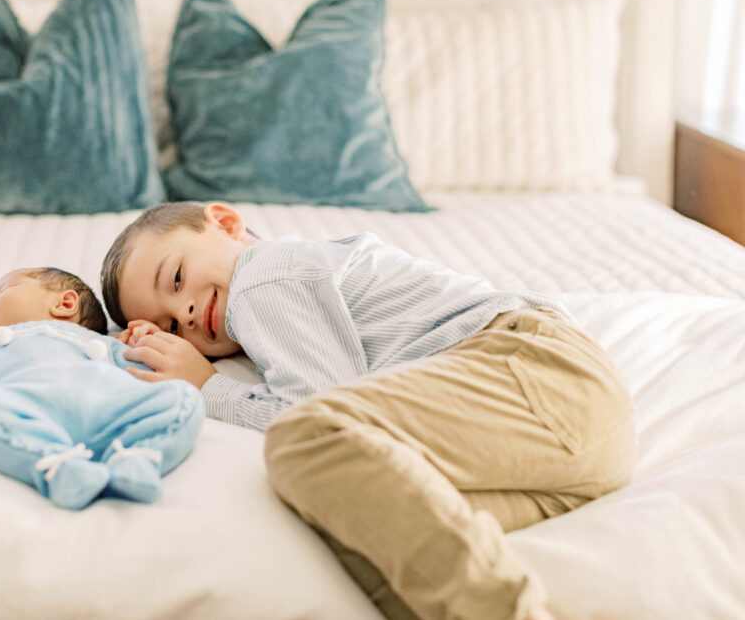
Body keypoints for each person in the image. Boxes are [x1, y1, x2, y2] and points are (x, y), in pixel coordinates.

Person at [99, 202, 635, 620]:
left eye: (175, 280)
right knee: (366, 533)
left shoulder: (262, 275)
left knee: (303, 440)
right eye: (169, 327)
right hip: (565, 452)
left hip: (536, 372)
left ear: (226, 222)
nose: (186, 313)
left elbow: (316, 406)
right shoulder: (271, 303)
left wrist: (206, 386)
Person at [0, 266, 203, 510]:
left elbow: (150, 377)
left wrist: (145, 342)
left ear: (64, 304)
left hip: (109, 411)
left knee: (184, 396)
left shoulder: (106, 345)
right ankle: (60, 466)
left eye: (0, 292)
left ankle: (136, 458)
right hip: (32, 413)